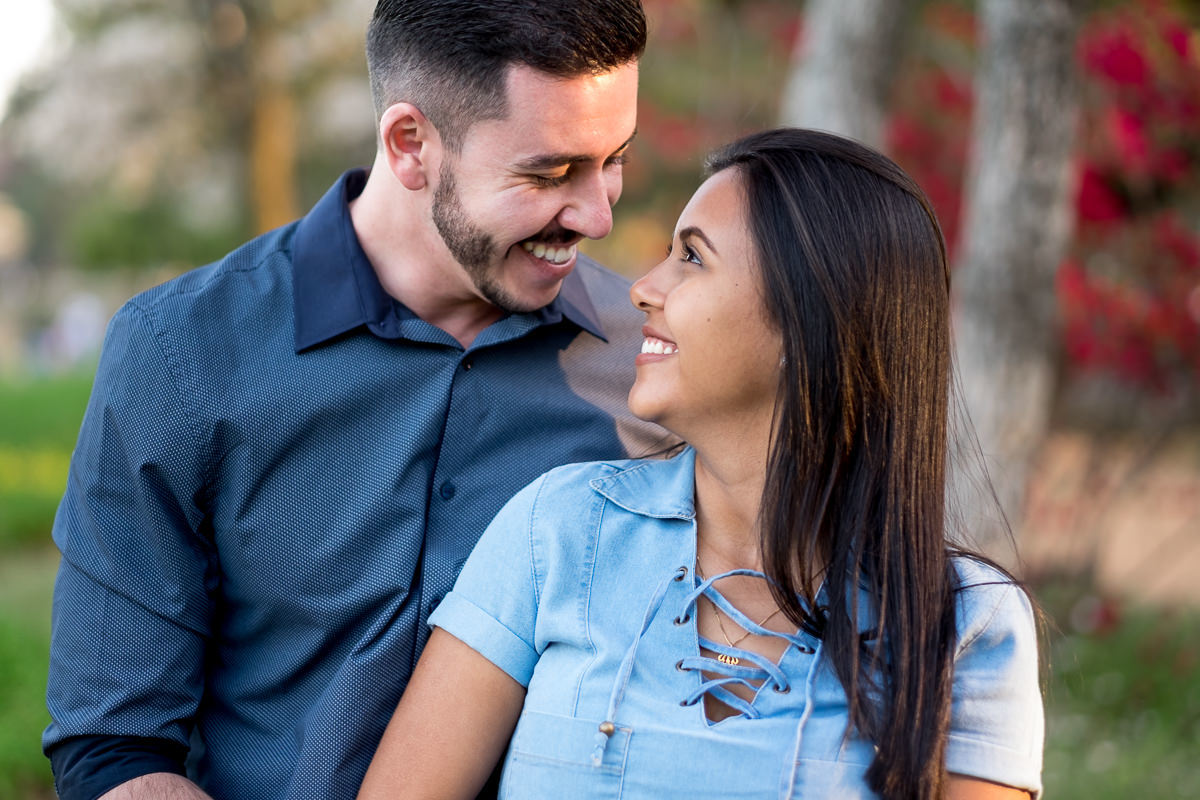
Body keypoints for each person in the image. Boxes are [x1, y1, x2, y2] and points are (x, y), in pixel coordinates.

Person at [42, 1, 667, 798]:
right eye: (549, 173)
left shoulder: (656, 368)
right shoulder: (180, 354)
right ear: (411, 145)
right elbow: (115, 744)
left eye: (614, 158)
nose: (598, 214)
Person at [358, 128, 1045, 800]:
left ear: (810, 323)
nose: (642, 289)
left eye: (691, 258)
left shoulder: (963, 626)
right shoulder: (557, 533)